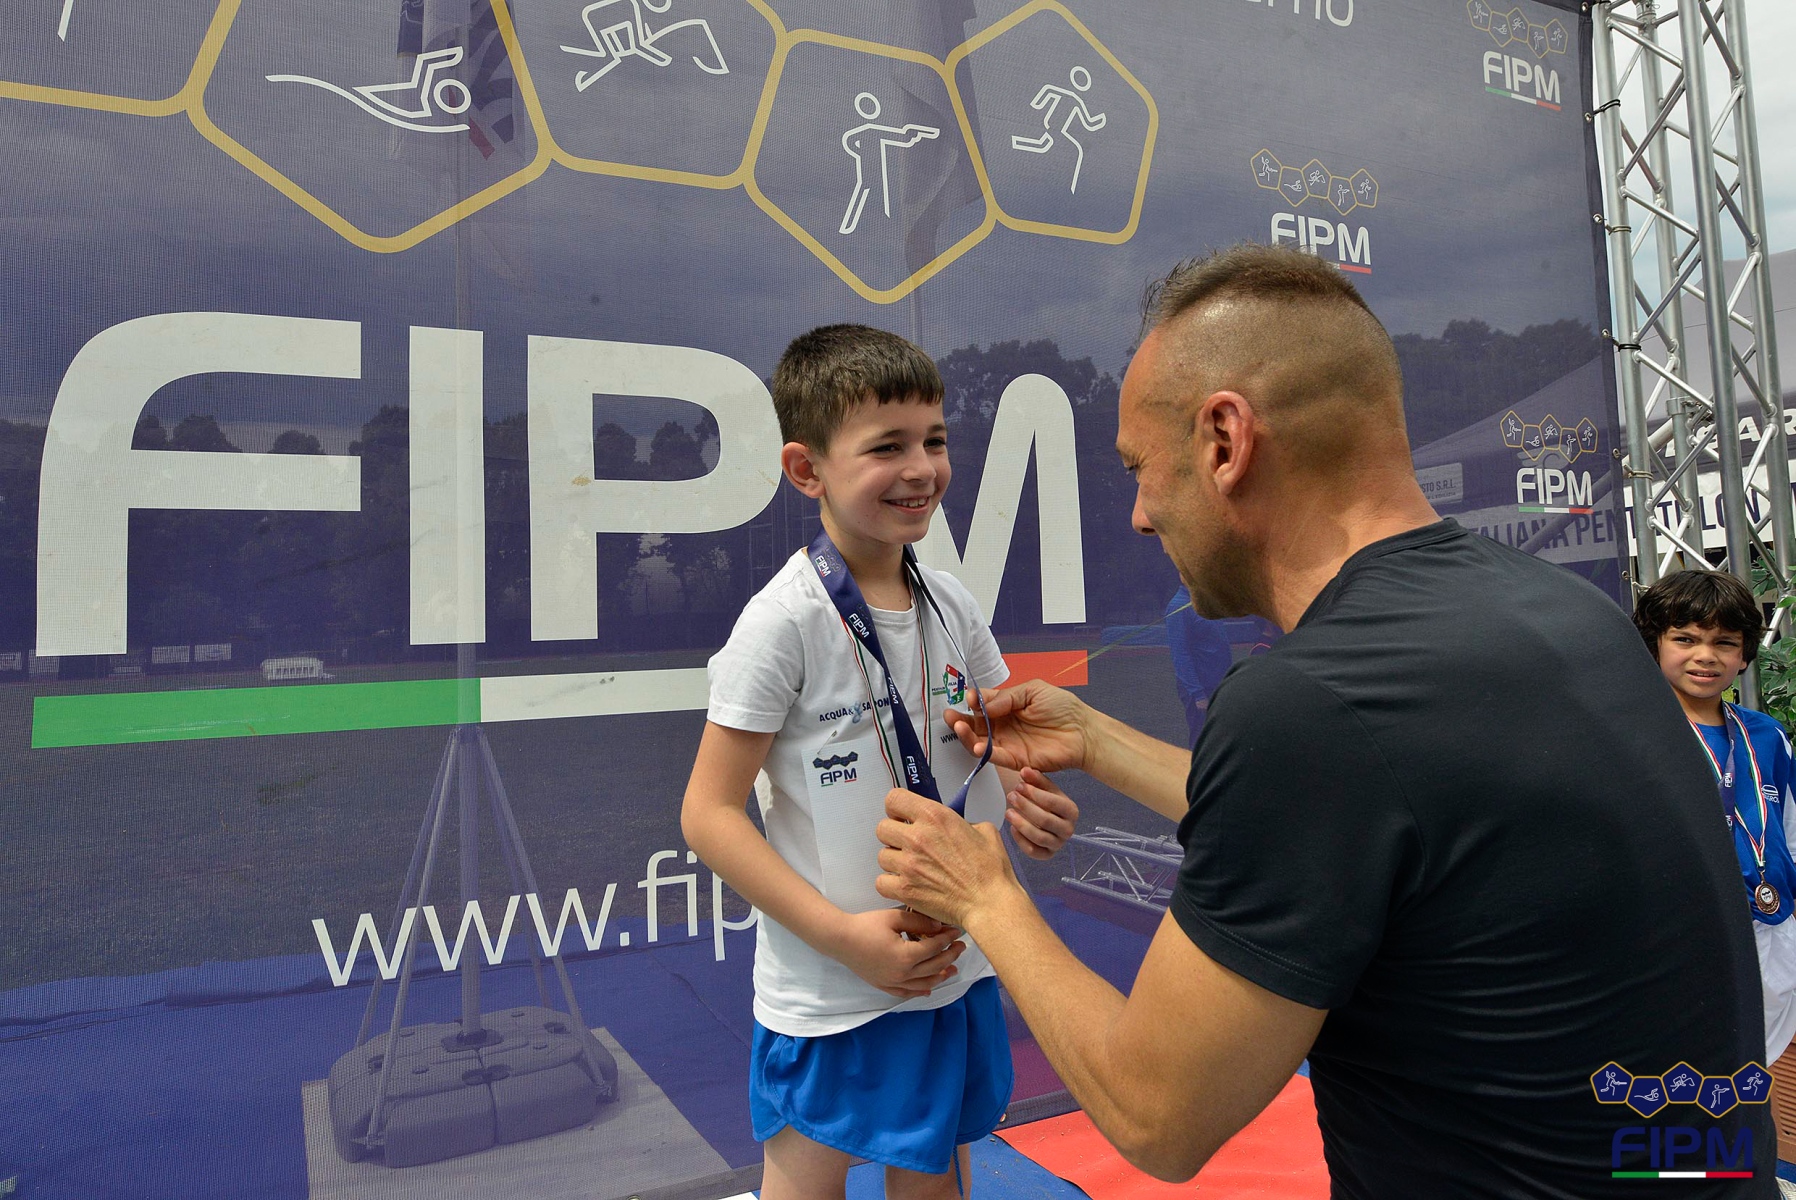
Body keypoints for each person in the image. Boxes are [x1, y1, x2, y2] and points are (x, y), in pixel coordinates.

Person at [872, 244, 1774, 1197]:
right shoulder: (1567, 613)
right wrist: (1097, 740)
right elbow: (1379, 827)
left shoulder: (1312, 705)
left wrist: (987, 897)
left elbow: (1156, 1115)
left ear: (1225, 441)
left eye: (1141, 467)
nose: (1139, 514)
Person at [681, 324, 1079, 1199]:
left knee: (934, 1175)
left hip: (956, 963)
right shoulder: (782, 622)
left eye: (934, 440)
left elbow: (996, 743)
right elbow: (707, 815)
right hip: (835, 986)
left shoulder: (954, 604)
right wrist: (844, 939)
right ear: (806, 469)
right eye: (886, 446)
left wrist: (1031, 801)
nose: (921, 468)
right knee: (806, 1179)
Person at [1634, 568, 1796, 1167]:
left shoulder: (1766, 736)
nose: (1706, 655)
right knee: (1675, 1083)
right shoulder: (1634, 736)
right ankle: (1677, 1178)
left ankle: (1743, 1178)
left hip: (1768, 932)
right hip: (1680, 940)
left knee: (1752, 1072)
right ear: (1653, 643)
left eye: (1725, 642)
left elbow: (1789, 832)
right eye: (1685, 638)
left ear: (1745, 654)